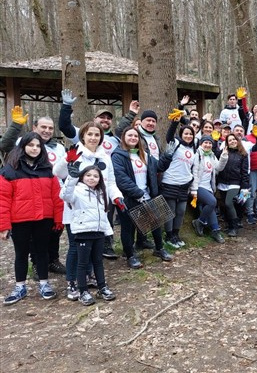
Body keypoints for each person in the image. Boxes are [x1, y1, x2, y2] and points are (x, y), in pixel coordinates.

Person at [53, 122, 124, 301]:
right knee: (76, 249)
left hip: (98, 210)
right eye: (89, 134)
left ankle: (90, 277)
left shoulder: (105, 157)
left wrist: (117, 197)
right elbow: (57, 172)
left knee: (94, 249)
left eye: (97, 135)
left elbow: (110, 182)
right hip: (76, 210)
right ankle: (72, 282)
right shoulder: (76, 154)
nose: (93, 138)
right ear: (83, 136)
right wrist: (67, 160)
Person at [0, 110, 68, 275]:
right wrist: (16, 125)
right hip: (29, 194)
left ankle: (53, 260)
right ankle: (37, 263)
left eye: (50, 128)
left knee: (54, 232)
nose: (47, 130)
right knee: (32, 238)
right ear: (34, 127)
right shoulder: (24, 142)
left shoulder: (59, 147)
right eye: (43, 127)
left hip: (54, 195)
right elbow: (5, 145)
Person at [0, 132, 64, 305]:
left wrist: (58, 220)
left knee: (42, 252)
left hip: (44, 218)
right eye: (31, 145)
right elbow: (3, 199)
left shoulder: (48, 169)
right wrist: (4, 225)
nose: (34, 149)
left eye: (38, 146)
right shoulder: (10, 170)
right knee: (21, 253)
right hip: (20, 220)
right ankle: (20, 286)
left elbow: (57, 197)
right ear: (23, 147)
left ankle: (44, 283)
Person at [111, 127, 173, 269]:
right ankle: (130, 255)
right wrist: (137, 193)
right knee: (128, 228)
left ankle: (159, 249)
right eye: (130, 135)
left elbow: (159, 167)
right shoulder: (118, 155)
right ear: (123, 138)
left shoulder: (144, 154)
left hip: (147, 195)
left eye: (135, 136)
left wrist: (168, 155)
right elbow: (121, 178)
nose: (133, 138)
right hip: (128, 198)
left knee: (156, 222)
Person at [60, 165, 116, 306]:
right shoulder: (77, 191)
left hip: (98, 232)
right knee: (83, 263)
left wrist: (108, 232)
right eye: (88, 175)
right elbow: (64, 195)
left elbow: (103, 215)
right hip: (83, 232)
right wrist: (71, 178)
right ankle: (83, 290)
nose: (92, 178)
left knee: (98, 261)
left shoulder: (100, 193)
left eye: (95, 176)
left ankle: (102, 287)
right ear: (82, 177)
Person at [161, 116, 197, 248]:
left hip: (184, 184)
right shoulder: (176, 143)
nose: (188, 136)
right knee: (170, 210)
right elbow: (169, 136)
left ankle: (176, 234)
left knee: (181, 211)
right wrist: (175, 121)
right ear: (181, 134)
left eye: (190, 134)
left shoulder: (193, 148)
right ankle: (169, 235)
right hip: (170, 181)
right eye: (185, 133)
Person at [216, 134, 250, 238]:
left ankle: (234, 227)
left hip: (235, 183)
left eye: (234, 139)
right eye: (229, 140)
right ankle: (229, 224)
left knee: (229, 203)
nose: (232, 141)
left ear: (237, 141)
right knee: (224, 205)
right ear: (227, 143)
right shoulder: (223, 152)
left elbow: (245, 172)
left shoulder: (243, 154)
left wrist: (245, 187)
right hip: (222, 182)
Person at [190, 136, 225, 241]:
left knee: (211, 207)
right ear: (201, 144)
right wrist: (194, 190)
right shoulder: (197, 155)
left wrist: (224, 156)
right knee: (212, 202)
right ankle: (200, 222)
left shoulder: (212, 156)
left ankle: (215, 231)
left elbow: (219, 167)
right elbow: (194, 173)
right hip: (198, 186)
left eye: (210, 143)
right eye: (205, 143)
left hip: (208, 187)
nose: (208, 145)